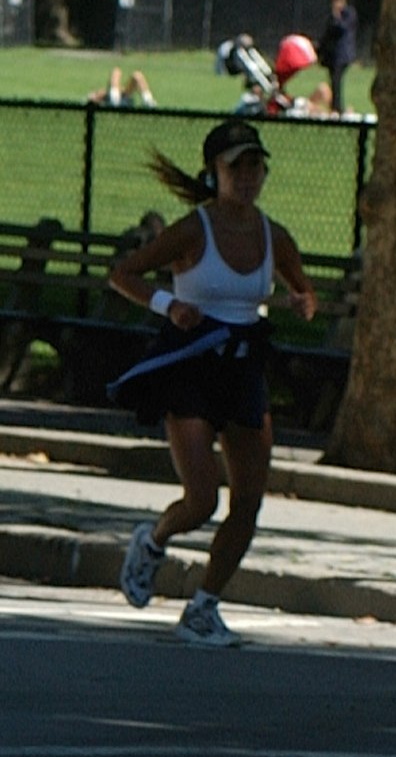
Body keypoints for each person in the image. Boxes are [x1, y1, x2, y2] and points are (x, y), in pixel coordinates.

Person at [105, 116, 318, 648]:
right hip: (193, 365)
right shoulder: (193, 230)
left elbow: (305, 291)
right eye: (235, 167)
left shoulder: (275, 236)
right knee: (202, 500)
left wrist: (301, 302)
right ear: (214, 173)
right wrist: (168, 304)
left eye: (255, 166)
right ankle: (152, 542)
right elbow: (123, 273)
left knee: (248, 501)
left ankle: (204, 608)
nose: (247, 177)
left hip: (243, 366)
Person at [316, 0, 360, 113]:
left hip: (343, 55)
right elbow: (328, 33)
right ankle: (334, 106)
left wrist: (336, 15)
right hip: (333, 55)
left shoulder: (349, 13)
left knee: (336, 81)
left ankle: (337, 108)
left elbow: (341, 28)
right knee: (333, 81)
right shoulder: (332, 15)